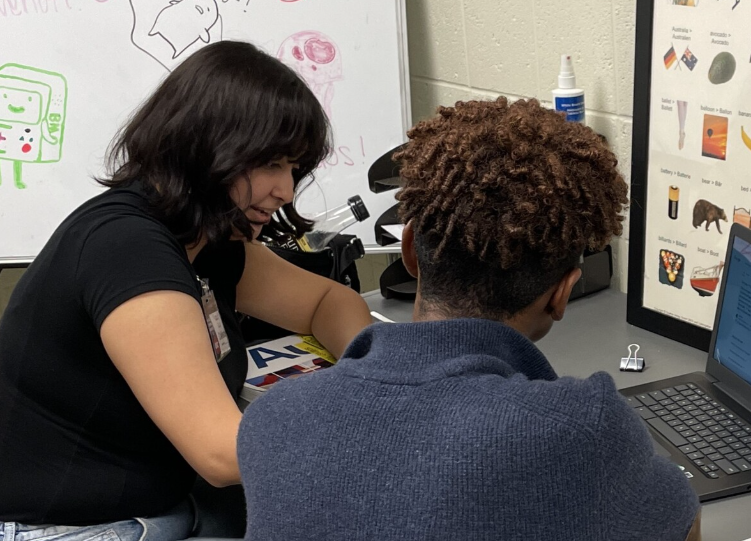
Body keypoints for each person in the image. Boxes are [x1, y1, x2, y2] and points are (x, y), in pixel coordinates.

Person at [0, 41, 371, 541]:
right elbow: (222, 453)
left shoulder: (204, 235)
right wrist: (378, 424)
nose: (287, 191)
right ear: (208, 147)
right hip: (57, 530)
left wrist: (371, 372)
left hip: (150, 503)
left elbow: (327, 301)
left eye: (294, 169)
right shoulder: (127, 248)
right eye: (272, 164)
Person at [238, 97, 702, 541]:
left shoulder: (272, 421)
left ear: (410, 251)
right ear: (563, 293)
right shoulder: (587, 433)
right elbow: (684, 524)